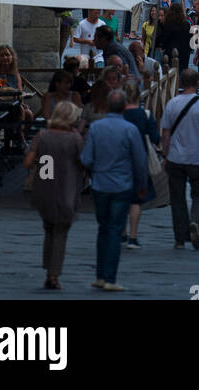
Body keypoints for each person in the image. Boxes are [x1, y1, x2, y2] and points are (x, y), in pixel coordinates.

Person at [81, 89, 148, 292]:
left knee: (103, 229)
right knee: (114, 230)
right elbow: (140, 161)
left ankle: (100, 276)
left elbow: (86, 159)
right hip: (122, 185)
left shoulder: (95, 128)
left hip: (100, 185)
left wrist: (94, 172)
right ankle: (109, 277)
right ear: (124, 106)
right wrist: (142, 185)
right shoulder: (130, 130)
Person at [23, 100, 84, 290]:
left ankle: (48, 265)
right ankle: (53, 274)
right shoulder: (75, 139)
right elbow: (83, 163)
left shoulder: (43, 135)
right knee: (60, 233)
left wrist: (45, 163)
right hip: (66, 189)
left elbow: (28, 162)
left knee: (49, 229)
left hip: (44, 188)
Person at [160, 68, 199, 250]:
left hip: (175, 158)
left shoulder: (171, 103)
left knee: (177, 198)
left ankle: (180, 238)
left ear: (181, 83)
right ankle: (196, 220)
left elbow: (165, 134)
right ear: (197, 83)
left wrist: (165, 155)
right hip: (196, 158)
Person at [120, 79, 160, 249]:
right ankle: (133, 237)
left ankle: (121, 233)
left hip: (119, 159)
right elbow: (155, 138)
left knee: (121, 197)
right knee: (136, 200)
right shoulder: (145, 115)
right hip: (139, 159)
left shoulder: (118, 114)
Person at [160, 0, 192, 70]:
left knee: (171, 71)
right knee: (183, 70)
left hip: (171, 50)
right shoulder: (186, 24)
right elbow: (189, 38)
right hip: (184, 51)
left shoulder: (168, 24)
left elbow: (165, 39)